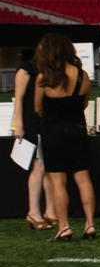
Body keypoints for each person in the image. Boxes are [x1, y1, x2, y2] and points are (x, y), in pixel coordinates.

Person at [32, 33, 97, 242]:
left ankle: (64, 227)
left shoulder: (44, 78)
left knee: (57, 181)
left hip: (53, 132)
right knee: (83, 178)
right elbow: (85, 103)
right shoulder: (83, 75)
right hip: (77, 128)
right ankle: (90, 224)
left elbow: (38, 108)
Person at [13, 50, 57, 230]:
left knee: (48, 167)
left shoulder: (49, 70)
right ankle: (33, 212)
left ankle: (50, 211)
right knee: (39, 166)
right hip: (32, 123)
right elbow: (19, 100)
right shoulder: (25, 70)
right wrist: (19, 125)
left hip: (46, 123)